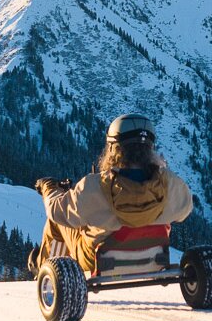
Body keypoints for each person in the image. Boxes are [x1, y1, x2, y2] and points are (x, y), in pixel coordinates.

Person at [28, 114, 194, 274]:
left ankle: (49, 272)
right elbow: (184, 210)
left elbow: (57, 212)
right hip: (154, 256)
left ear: (114, 149)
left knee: (56, 223)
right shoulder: (170, 184)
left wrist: (49, 188)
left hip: (96, 259)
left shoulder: (94, 186)